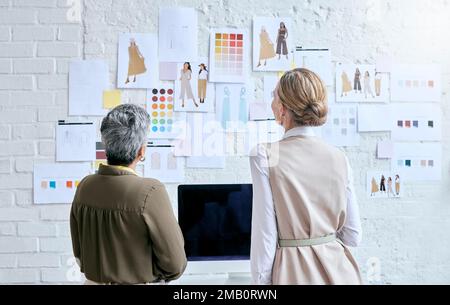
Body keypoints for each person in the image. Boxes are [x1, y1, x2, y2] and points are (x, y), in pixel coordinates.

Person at [250, 68, 362, 285]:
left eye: (273, 95)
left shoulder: (264, 155)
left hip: (292, 273)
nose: (271, 102)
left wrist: (261, 284)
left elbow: (265, 236)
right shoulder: (340, 158)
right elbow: (353, 235)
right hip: (341, 273)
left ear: (283, 109)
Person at [70, 104, 187, 285]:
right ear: (142, 151)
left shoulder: (85, 186)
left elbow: (79, 254)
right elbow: (175, 265)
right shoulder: (151, 191)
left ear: (105, 147)